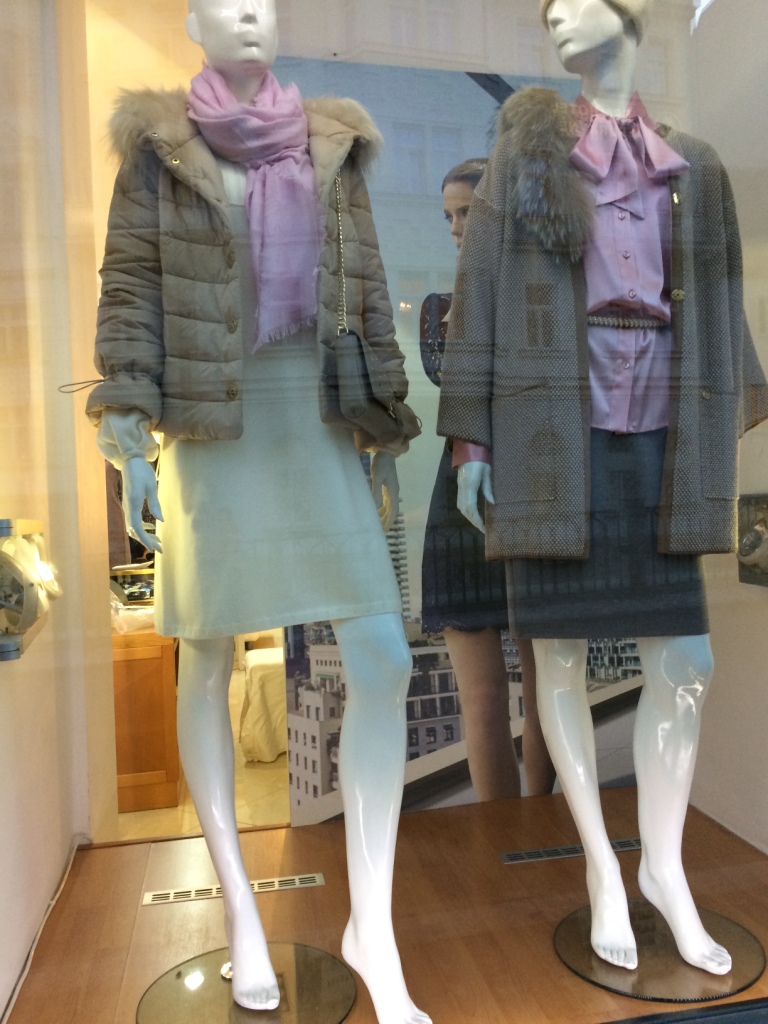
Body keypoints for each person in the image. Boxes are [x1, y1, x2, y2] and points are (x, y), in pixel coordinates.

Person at [86, 2, 431, 1022]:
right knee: (206, 654)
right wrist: (128, 426)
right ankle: (240, 907)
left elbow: (368, 288)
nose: (249, 14)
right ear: (193, 21)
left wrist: (384, 420)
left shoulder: (333, 146)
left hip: (315, 419)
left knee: (384, 657)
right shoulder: (158, 152)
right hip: (211, 426)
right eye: (226, 0)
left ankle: (374, 924)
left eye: (265, 2)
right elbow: (129, 289)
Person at [437, 0, 768, 975]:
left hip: (663, 428)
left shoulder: (694, 165)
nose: (558, 15)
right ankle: (599, 865)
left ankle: (663, 864)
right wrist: (470, 442)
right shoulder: (525, 159)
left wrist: (732, 410)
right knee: (560, 658)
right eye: (549, 11)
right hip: (554, 431)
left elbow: (722, 297)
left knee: (688, 656)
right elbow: (480, 298)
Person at [420, 159, 556, 799]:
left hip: (529, 489)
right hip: (459, 497)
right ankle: (497, 835)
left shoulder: (544, 298)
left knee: (545, 682)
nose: (455, 226)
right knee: (479, 694)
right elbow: (457, 381)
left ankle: (543, 819)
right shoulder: (440, 310)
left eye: (467, 212)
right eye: (449, 215)